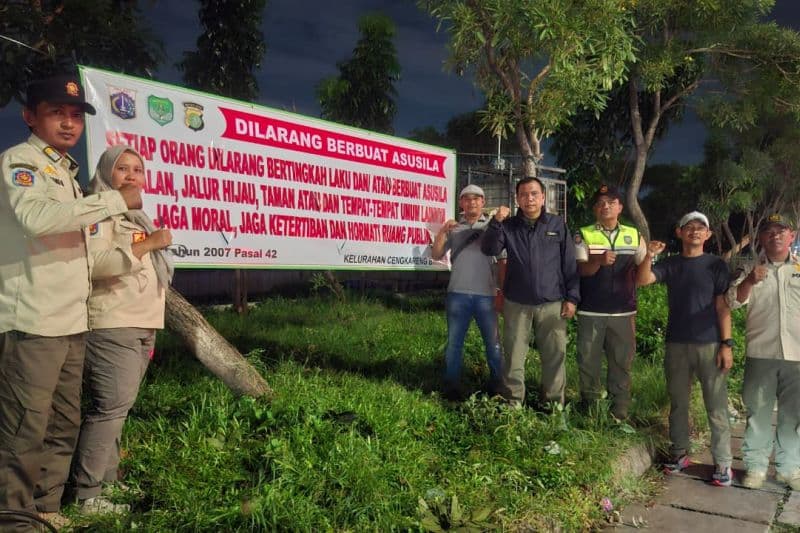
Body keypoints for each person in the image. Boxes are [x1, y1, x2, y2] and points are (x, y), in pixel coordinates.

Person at [0, 75, 142, 528]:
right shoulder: (19, 162)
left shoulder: (65, 172)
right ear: (30, 116)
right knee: (24, 428)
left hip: (71, 320)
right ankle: (14, 520)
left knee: (62, 423)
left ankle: (46, 508)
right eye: (56, 112)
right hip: (32, 321)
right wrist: (111, 202)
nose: (68, 123)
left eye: (76, 115)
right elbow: (36, 218)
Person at [71, 145, 173, 514]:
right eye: (122, 169)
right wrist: (149, 245)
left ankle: (108, 483)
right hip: (113, 325)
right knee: (109, 408)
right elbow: (95, 265)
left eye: (138, 170)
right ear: (105, 174)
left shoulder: (135, 217)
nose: (132, 176)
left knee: (119, 408)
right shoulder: (97, 212)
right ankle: (87, 495)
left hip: (141, 324)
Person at [636, 211, 734, 487]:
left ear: (708, 234)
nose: (694, 231)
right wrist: (648, 255)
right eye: (688, 227)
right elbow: (643, 280)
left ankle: (723, 463)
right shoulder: (671, 264)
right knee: (678, 403)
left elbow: (722, 306)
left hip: (710, 343)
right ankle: (680, 454)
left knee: (716, 406)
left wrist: (727, 344)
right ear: (679, 233)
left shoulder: (716, 265)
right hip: (676, 343)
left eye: (700, 227)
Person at [481, 177, 580, 406]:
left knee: (555, 356)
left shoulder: (557, 225)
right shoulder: (508, 226)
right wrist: (496, 221)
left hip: (553, 303)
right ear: (517, 199)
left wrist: (572, 298)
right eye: (524, 195)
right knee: (514, 357)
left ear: (543, 197)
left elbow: (569, 265)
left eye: (534, 193)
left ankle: (553, 406)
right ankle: (513, 405)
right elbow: (489, 248)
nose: (529, 199)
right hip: (517, 303)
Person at [727, 213, 800, 490]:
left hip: (797, 355)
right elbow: (732, 302)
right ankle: (756, 468)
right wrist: (749, 282)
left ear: (791, 236)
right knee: (757, 413)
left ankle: (789, 468)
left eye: (782, 231)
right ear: (761, 238)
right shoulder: (750, 269)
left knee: (794, 416)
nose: (776, 236)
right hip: (762, 353)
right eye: (769, 231)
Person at [574, 185, 647, 419]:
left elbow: (642, 272)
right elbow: (579, 270)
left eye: (611, 202)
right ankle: (591, 410)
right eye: (600, 203)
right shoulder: (583, 234)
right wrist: (598, 260)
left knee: (622, 363)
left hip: (623, 312)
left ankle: (620, 411)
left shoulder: (634, 235)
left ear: (620, 207)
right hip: (590, 311)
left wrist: (651, 255)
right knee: (588, 362)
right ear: (595, 209)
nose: (605, 206)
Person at [431, 184, 502, 400]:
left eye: (476, 198)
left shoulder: (493, 226)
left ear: (483, 202)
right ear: (461, 203)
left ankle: (498, 385)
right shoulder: (455, 228)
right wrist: (443, 231)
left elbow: (503, 259)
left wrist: (501, 291)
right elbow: (435, 255)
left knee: (494, 343)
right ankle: (451, 385)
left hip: (487, 295)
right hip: (457, 294)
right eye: (467, 199)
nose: (471, 202)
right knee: (454, 343)